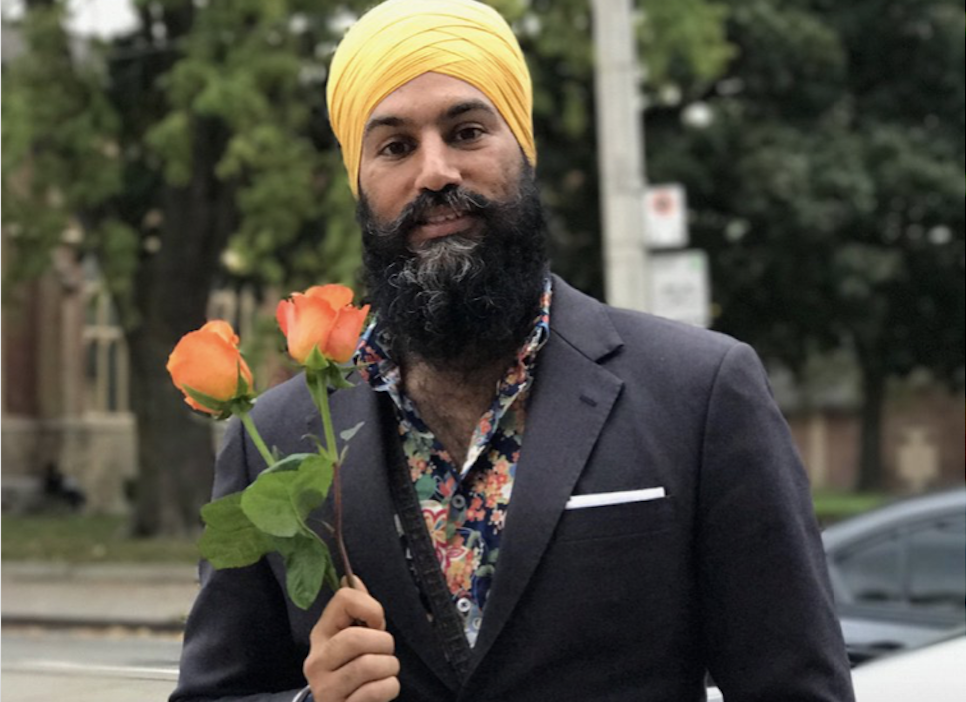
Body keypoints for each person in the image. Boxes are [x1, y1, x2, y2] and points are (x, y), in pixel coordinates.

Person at [171, 1, 855, 701]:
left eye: (466, 132)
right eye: (395, 147)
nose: (435, 173)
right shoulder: (278, 439)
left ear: (522, 149)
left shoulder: (700, 393)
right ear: (360, 181)